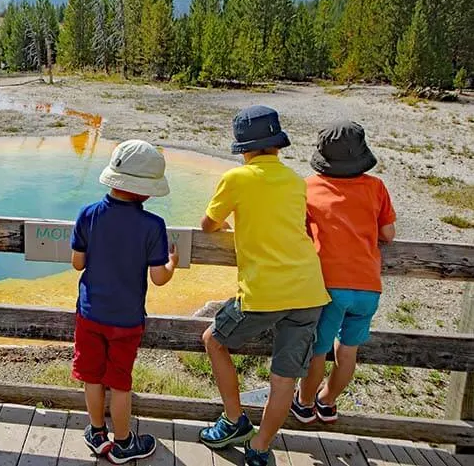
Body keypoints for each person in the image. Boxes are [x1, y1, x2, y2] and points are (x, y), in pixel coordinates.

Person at [197, 106, 330, 466]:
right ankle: (260, 447)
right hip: (309, 291)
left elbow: (208, 223)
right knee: (284, 377)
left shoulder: (236, 179)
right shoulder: (294, 180)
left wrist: (229, 228)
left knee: (214, 340)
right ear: (277, 146)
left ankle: (234, 419)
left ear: (244, 148)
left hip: (264, 292)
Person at [71, 139, 179, 464]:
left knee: (91, 376)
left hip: (89, 314)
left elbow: (78, 263)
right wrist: (172, 262)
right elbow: (159, 278)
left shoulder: (88, 214)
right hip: (127, 321)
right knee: (119, 383)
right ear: (146, 190)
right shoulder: (153, 226)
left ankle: (95, 431)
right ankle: (122, 443)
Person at [292, 121, 396, 424]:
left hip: (328, 287)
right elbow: (388, 234)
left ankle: (305, 401)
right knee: (348, 351)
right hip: (368, 287)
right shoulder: (376, 187)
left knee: (317, 351)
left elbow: (299, 229)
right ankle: (328, 401)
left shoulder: (309, 187)